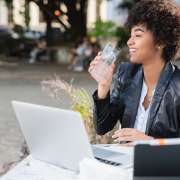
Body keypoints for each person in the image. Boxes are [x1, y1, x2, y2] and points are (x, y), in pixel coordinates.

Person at [89, 0, 180, 144]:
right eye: (130, 35)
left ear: (161, 41)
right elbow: (102, 127)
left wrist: (150, 142)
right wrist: (103, 86)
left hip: (160, 165)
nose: (129, 42)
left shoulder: (178, 86)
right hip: (125, 161)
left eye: (137, 35)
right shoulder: (126, 74)